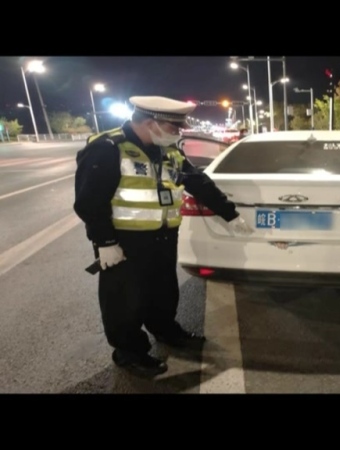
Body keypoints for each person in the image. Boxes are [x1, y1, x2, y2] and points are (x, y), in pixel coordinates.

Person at [74, 96, 253, 377]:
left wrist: (230, 214)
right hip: (124, 243)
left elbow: (197, 182)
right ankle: (129, 352)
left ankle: (166, 330)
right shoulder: (108, 148)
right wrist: (105, 242)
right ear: (150, 123)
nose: (178, 132)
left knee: (163, 292)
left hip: (163, 239)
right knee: (125, 301)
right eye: (174, 127)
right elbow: (89, 202)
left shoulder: (168, 152)